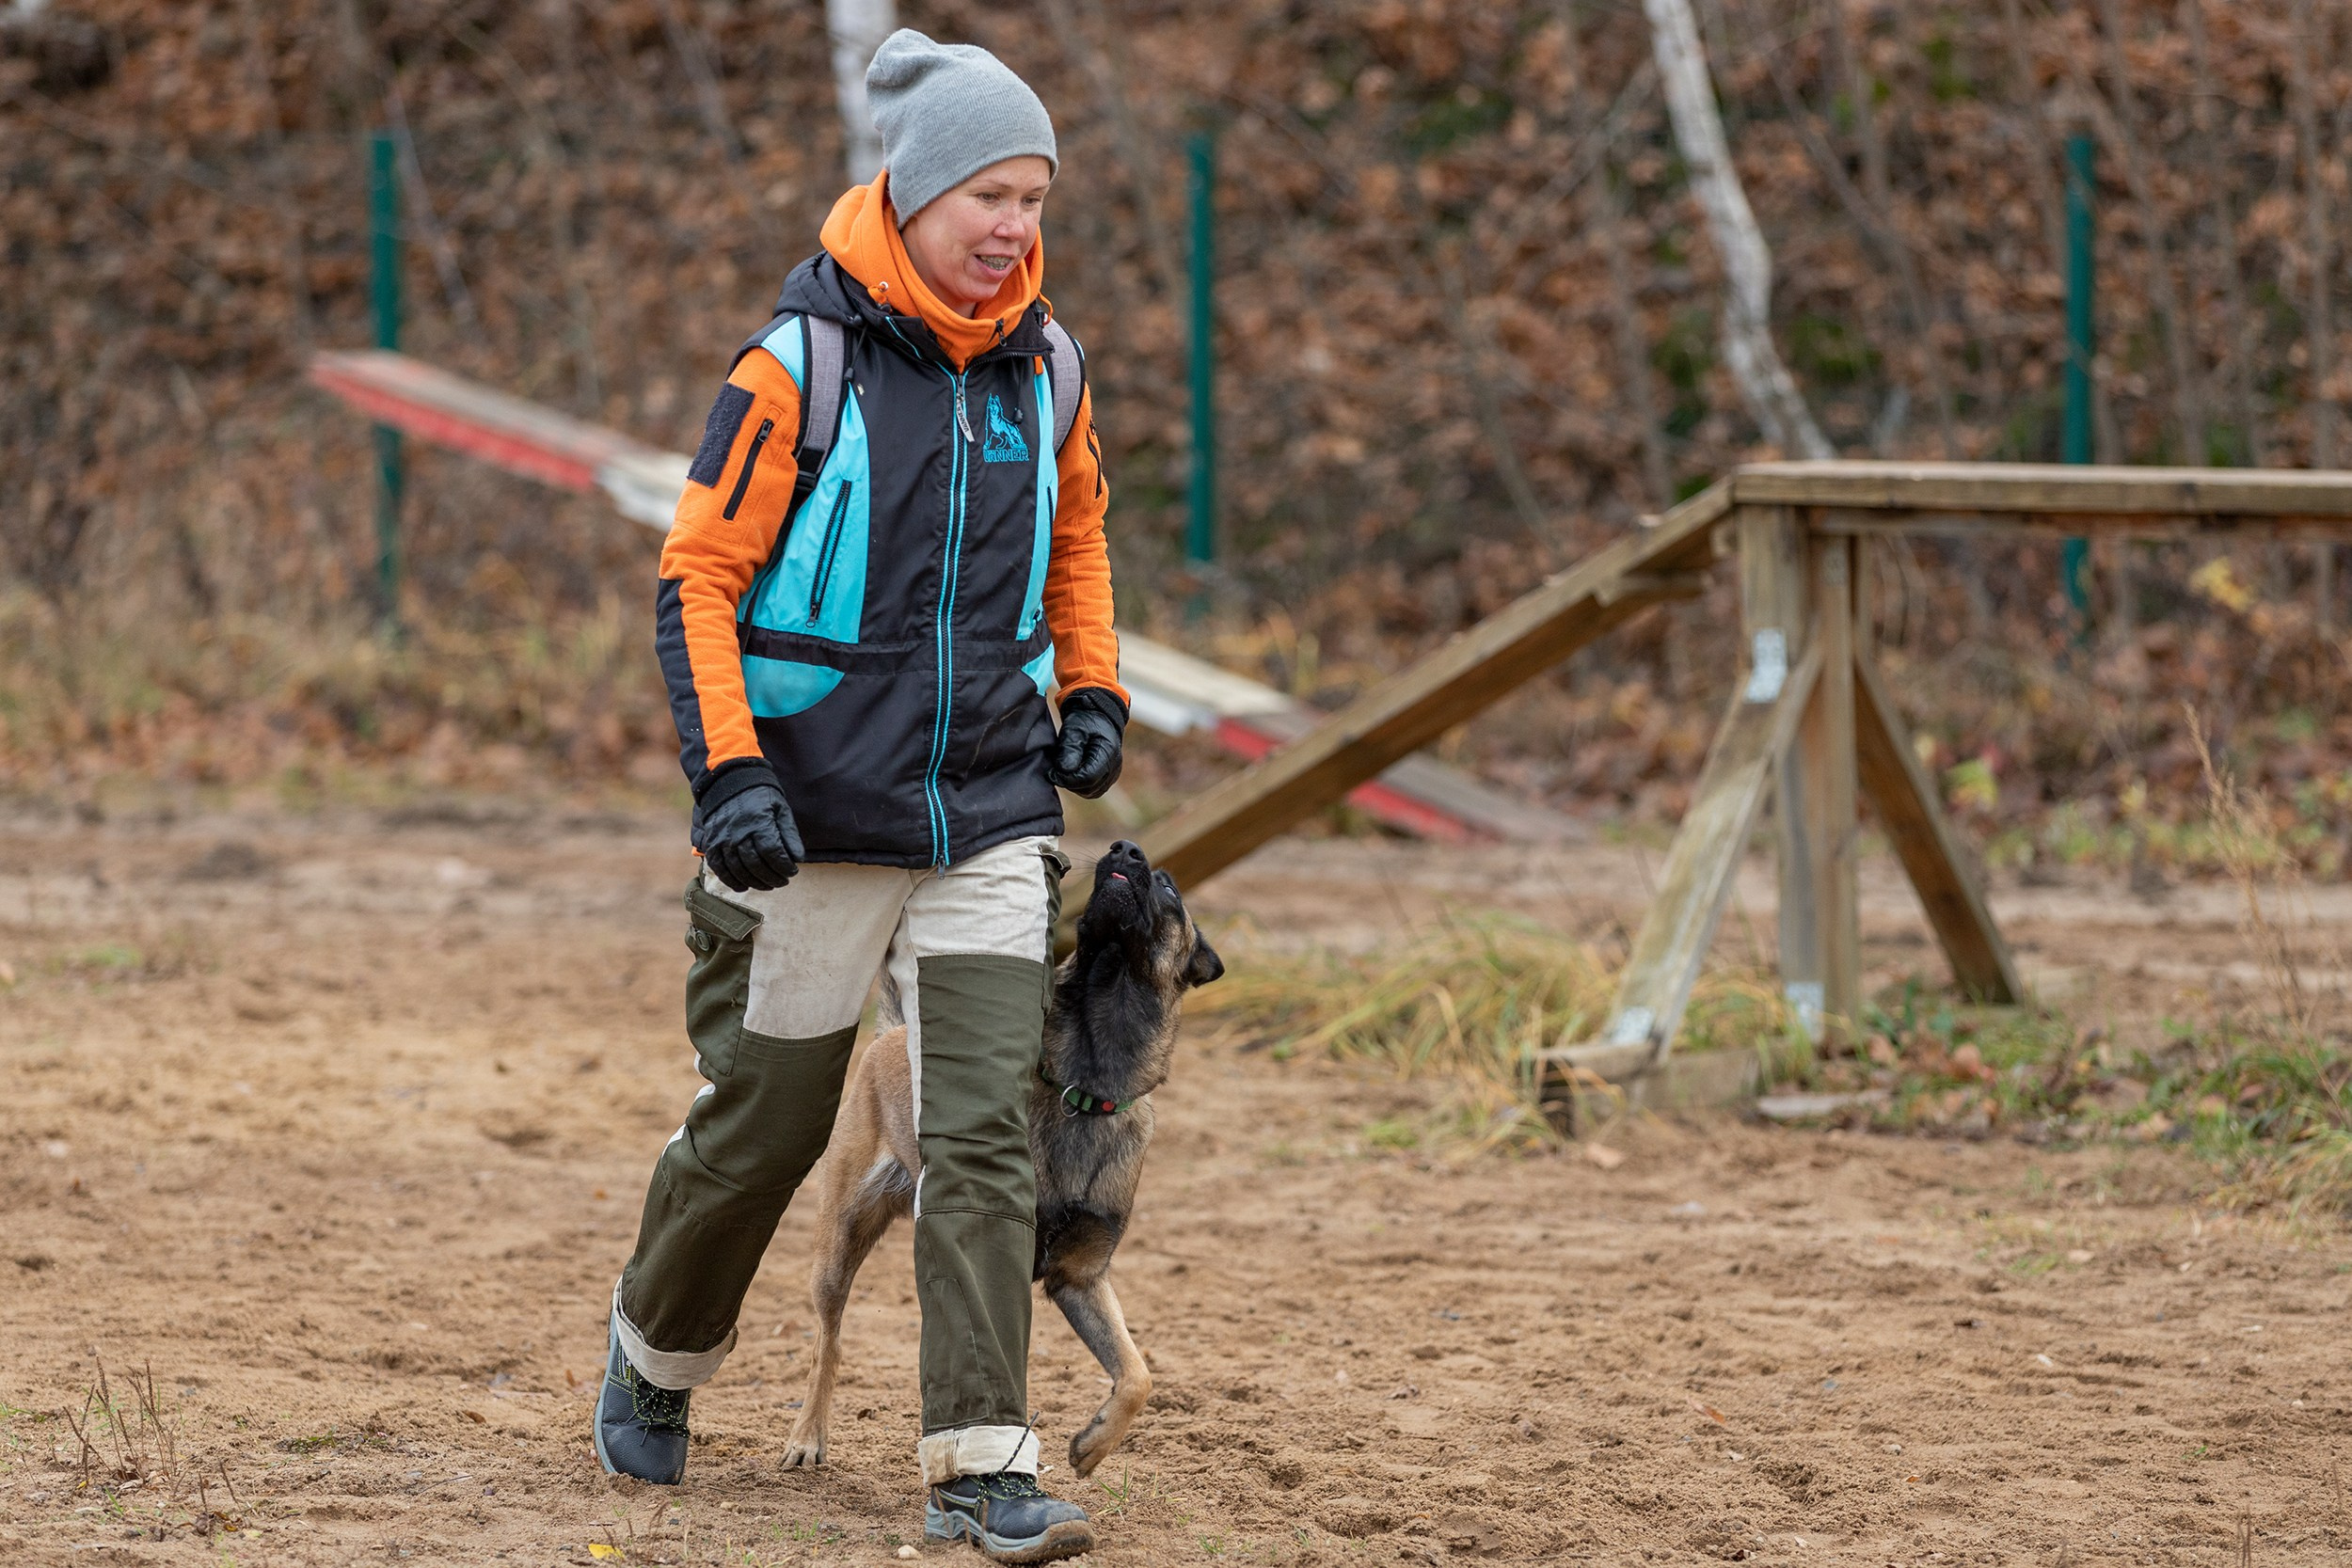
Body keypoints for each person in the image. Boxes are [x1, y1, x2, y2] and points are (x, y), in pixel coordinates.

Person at [596, 29, 1126, 1565]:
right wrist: (732, 775)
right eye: (990, 195)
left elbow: (1077, 535)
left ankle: (981, 1467)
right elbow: (696, 576)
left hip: (991, 816)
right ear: (915, 188)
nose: (1016, 226)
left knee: (981, 1137)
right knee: (764, 1130)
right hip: (810, 816)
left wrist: (1091, 687)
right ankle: (658, 1350)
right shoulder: (795, 368)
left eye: (1036, 196)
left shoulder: (1054, 366)